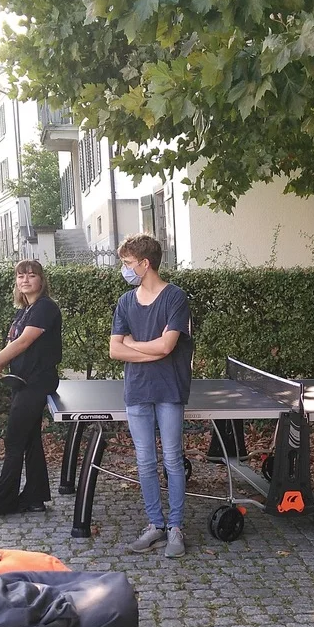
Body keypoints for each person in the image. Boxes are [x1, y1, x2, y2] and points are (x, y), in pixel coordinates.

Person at [109, 233, 194, 558]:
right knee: (145, 461)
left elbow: (167, 346)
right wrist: (149, 350)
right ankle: (154, 526)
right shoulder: (125, 302)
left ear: (145, 264)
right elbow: (115, 351)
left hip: (169, 389)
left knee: (172, 459)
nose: (125, 269)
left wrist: (133, 345)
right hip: (137, 391)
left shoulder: (175, 298)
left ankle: (175, 527)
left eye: (128, 263)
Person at [0, 259, 63, 518]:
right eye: (21, 276)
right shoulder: (24, 311)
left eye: (32, 275)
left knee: (14, 440)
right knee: (30, 439)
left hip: (37, 382)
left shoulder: (45, 308)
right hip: (24, 382)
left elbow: (23, 342)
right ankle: (35, 497)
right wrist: (7, 367)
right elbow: (20, 346)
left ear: (42, 280)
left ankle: (0, 500)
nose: (26, 280)